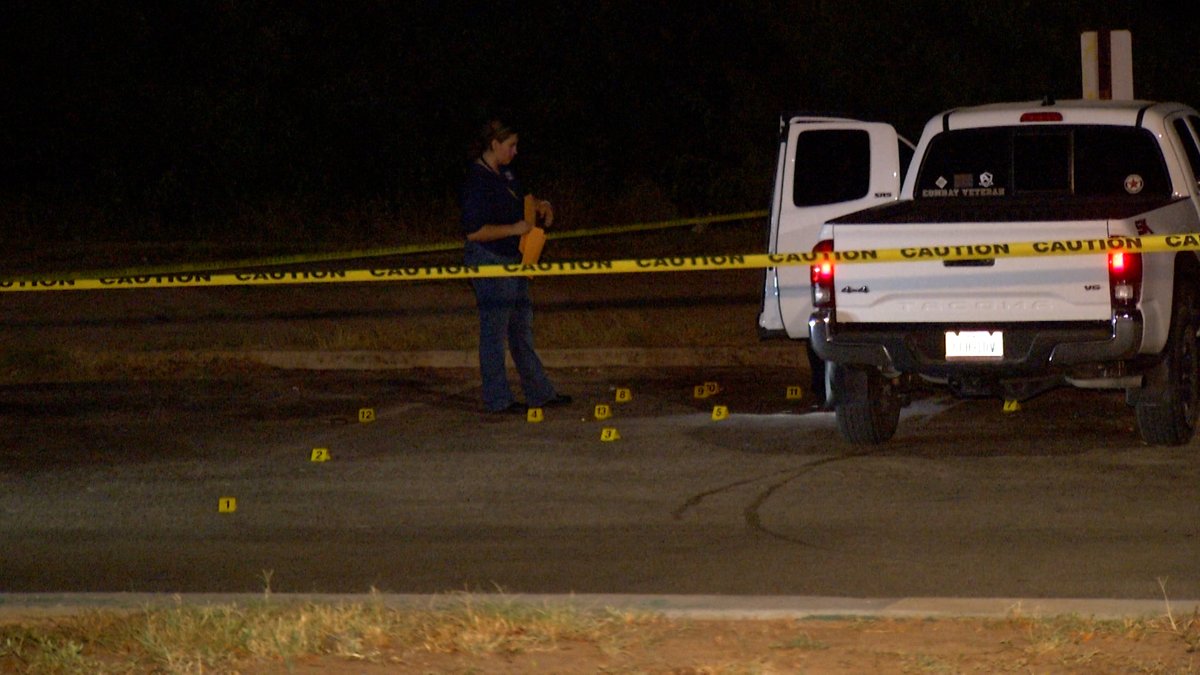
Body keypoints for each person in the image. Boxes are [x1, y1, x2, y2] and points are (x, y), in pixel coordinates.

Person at [460, 119, 571, 414]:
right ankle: (498, 400)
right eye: (511, 146)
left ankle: (541, 393)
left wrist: (540, 205)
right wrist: (513, 229)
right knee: (494, 332)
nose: (515, 151)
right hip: (489, 259)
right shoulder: (477, 180)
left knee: (522, 328)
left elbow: (522, 202)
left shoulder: (506, 173)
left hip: (514, 260)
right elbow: (474, 232)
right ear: (494, 145)